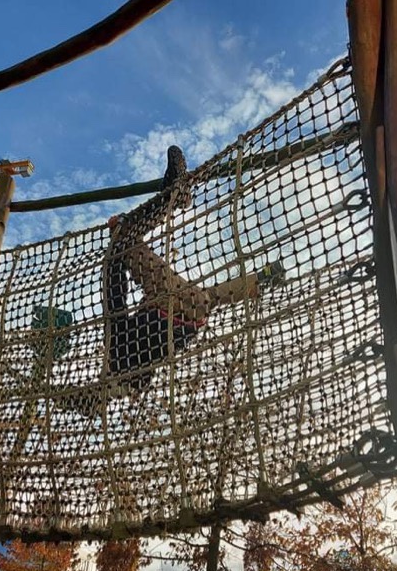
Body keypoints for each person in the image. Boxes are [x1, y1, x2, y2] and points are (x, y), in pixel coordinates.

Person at [105, 145, 285, 391]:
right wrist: (114, 257)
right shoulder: (116, 350)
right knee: (125, 239)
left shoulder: (151, 361)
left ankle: (261, 279)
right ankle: (175, 196)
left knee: (211, 296)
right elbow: (116, 299)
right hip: (165, 305)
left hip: (193, 321)